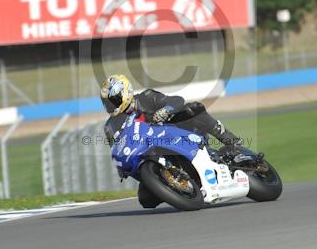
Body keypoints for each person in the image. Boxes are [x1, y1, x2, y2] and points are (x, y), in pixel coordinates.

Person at [99, 74, 242, 208]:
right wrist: (121, 166)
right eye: (107, 103)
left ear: (125, 92)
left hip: (176, 135)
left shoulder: (146, 97)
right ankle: (177, 188)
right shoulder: (111, 125)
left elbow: (176, 100)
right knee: (146, 200)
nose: (110, 106)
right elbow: (116, 147)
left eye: (113, 100)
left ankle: (232, 142)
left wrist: (165, 110)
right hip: (147, 152)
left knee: (192, 109)